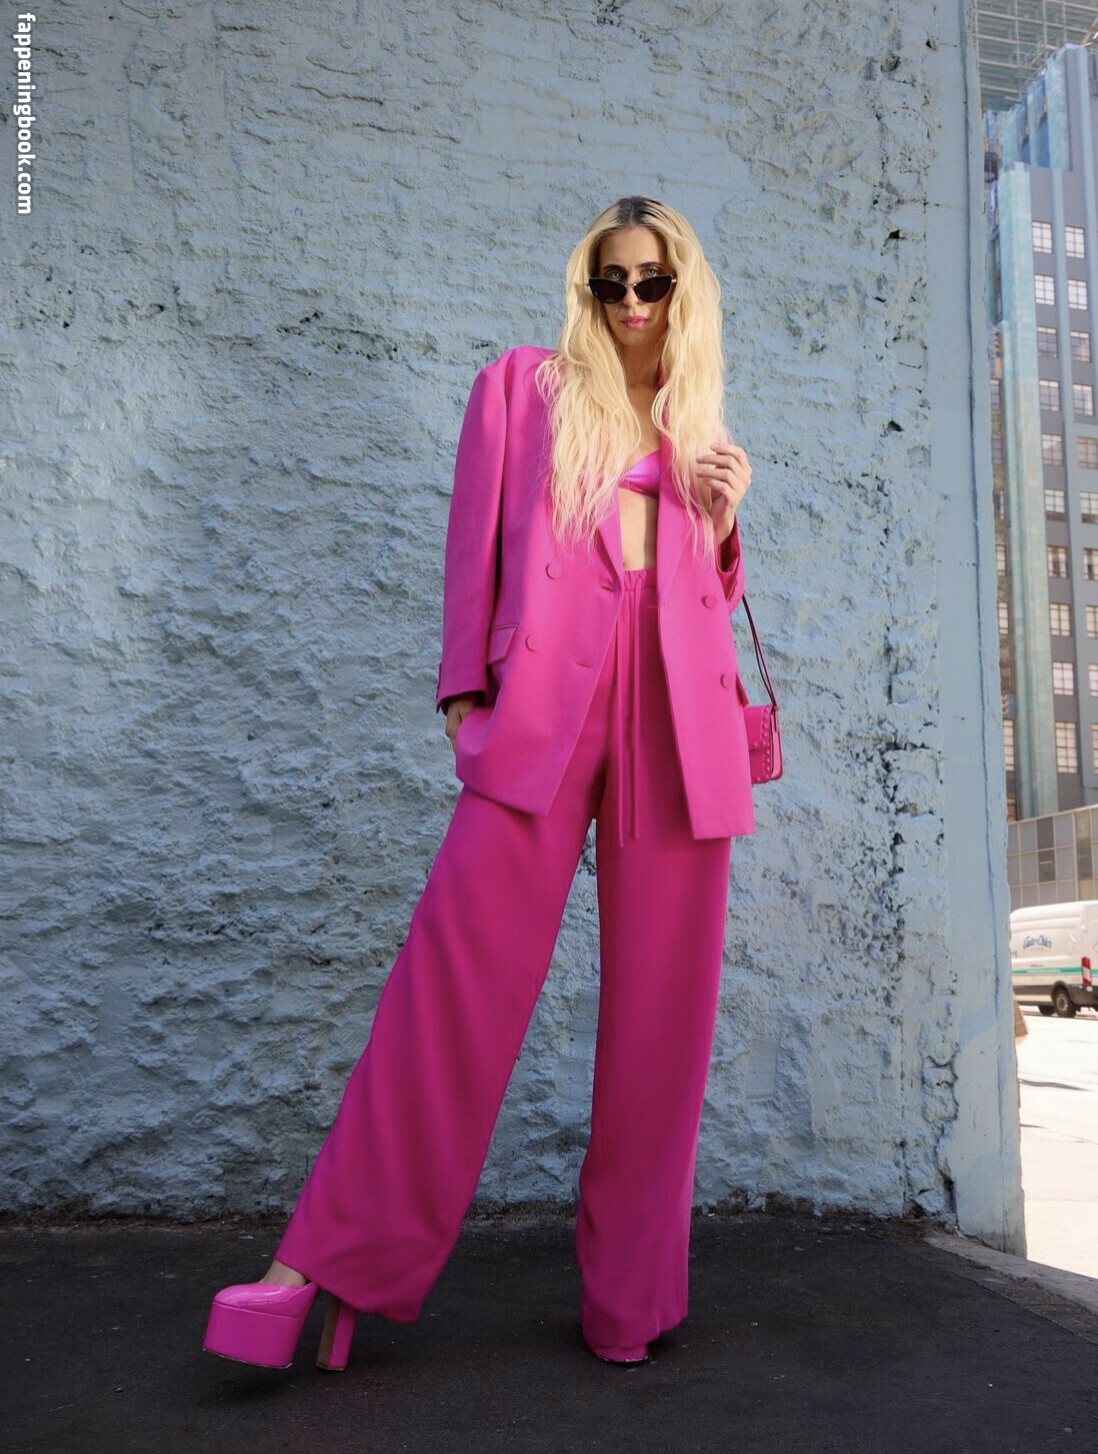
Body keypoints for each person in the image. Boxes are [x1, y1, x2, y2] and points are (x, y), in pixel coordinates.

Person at [203, 195, 756, 1375]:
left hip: (678, 718)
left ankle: (630, 1300)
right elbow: (475, 544)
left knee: (662, 1025)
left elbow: (703, 594)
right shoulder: (522, 388)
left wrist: (719, 515)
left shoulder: (699, 423)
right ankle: (320, 1264)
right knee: (449, 986)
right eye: (610, 280)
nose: (630, 302)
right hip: (546, 708)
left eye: (652, 280)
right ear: (587, 289)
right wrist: (465, 698)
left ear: (684, 290)